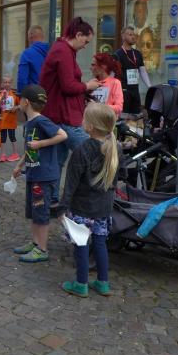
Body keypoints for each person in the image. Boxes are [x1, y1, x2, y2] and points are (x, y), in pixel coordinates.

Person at [60, 103, 121, 298]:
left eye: (84, 118)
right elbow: (117, 179)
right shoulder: (115, 148)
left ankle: (81, 284)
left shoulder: (82, 150)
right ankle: (103, 283)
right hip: (103, 207)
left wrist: (62, 207)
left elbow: (71, 183)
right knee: (100, 244)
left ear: (91, 126)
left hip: (82, 207)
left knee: (81, 244)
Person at [12, 85, 67, 263]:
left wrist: (41, 144)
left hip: (44, 176)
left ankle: (42, 249)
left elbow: (63, 135)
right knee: (34, 211)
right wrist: (19, 165)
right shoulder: (29, 123)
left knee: (42, 212)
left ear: (26, 102)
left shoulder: (41, 121)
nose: (19, 102)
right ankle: (35, 243)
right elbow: (30, 148)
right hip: (33, 174)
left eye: (20, 99)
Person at [39, 17, 99, 169]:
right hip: (64, 117)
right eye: (86, 41)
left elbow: (65, 84)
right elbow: (68, 86)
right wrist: (86, 86)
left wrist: (86, 90)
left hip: (60, 115)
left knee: (56, 163)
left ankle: (52, 186)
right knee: (95, 155)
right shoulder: (63, 51)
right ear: (78, 35)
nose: (85, 46)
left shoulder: (64, 50)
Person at [114, 26, 151, 115]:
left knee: (136, 116)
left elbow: (142, 71)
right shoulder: (118, 54)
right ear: (123, 36)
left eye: (133, 35)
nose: (133, 37)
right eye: (130, 35)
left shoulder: (137, 54)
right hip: (123, 91)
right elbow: (113, 74)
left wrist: (150, 86)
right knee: (124, 116)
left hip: (135, 90)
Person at [89, 53, 124, 118]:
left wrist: (99, 107)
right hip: (92, 120)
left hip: (106, 121)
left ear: (103, 67)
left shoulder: (115, 83)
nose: (90, 68)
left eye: (93, 65)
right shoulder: (92, 82)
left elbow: (119, 108)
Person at [17, 26, 50, 94]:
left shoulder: (27, 54)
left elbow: (22, 79)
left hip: (33, 95)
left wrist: (21, 94)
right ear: (42, 37)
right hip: (49, 94)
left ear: (31, 37)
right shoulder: (52, 51)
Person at [0, 76, 21, 162]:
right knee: (3, 137)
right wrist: (2, 98)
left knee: (12, 136)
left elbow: (21, 105)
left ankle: (15, 153)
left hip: (11, 119)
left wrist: (16, 107)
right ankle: (3, 154)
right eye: (5, 82)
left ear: (11, 83)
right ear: (2, 84)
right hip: (2, 119)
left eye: (8, 82)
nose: (7, 84)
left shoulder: (15, 94)